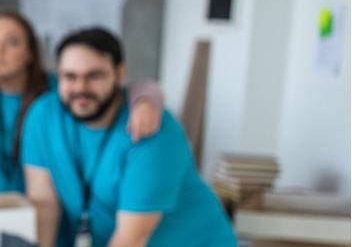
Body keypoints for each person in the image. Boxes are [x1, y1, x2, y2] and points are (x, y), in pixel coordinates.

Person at [22, 28, 236, 247]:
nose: (80, 88)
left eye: (94, 76)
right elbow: (45, 205)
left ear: (120, 73)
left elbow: (131, 239)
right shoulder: (43, 115)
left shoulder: (151, 131)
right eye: (70, 76)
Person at [0, 12, 167, 194]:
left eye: (11, 42)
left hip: (51, 207)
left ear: (29, 52)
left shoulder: (58, 87)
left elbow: (140, 86)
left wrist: (145, 101)